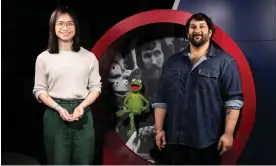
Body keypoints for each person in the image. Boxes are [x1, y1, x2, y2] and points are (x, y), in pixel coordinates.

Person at [153, 13, 244, 165]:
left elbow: (233, 101)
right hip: (175, 140)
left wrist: (228, 134)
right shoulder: (172, 62)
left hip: (207, 142)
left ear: (209, 32)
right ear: (187, 32)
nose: (197, 30)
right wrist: (159, 130)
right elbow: (161, 99)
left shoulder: (225, 62)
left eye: (202, 27)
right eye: (193, 27)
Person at [33, 6, 101, 165]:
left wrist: (82, 106)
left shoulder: (89, 57)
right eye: (60, 23)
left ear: (76, 27)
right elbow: (39, 90)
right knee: (57, 161)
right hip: (55, 113)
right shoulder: (43, 58)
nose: (65, 28)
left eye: (70, 24)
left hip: (82, 112)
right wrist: (58, 107)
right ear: (53, 27)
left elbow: (96, 87)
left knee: (84, 161)